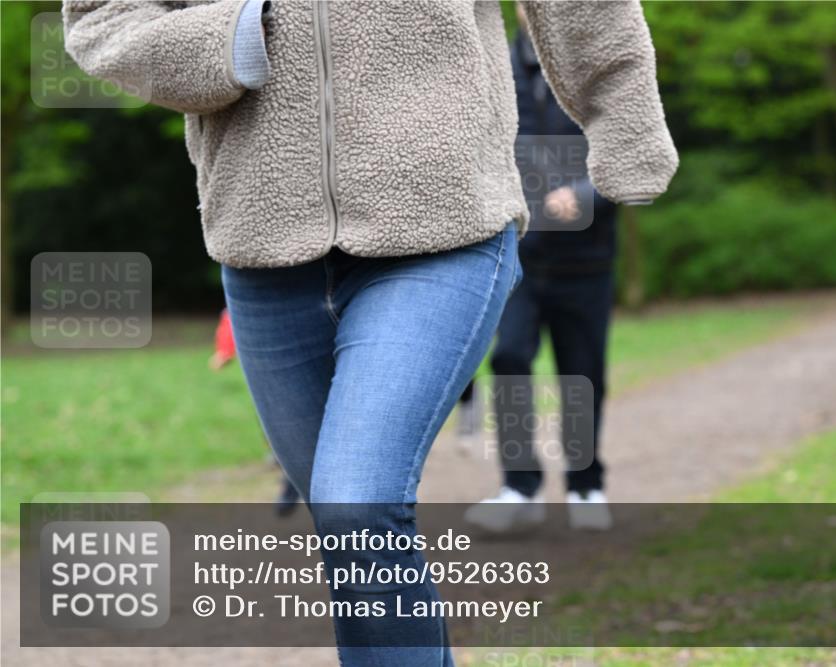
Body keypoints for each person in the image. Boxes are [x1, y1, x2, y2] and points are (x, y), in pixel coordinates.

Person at [63, 1, 678, 663]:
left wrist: (624, 116)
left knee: (357, 503)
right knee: (351, 532)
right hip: (264, 248)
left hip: (445, 228)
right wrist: (235, 33)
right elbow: (104, 19)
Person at [465, 6, 619, 533]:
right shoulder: (490, 67)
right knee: (508, 359)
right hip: (517, 261)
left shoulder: (597, 71)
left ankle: (585, 485)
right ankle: (520, 485)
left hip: (587, 262)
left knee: (582, 373)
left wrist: (585, 195)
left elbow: (630, 156)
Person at [208, 309, 302, 516]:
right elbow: (233, 314)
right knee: (277, 428)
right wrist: (224, 350)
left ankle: (294, 481)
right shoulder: (259, 283)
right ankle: (291, 477)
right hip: (270, 373)